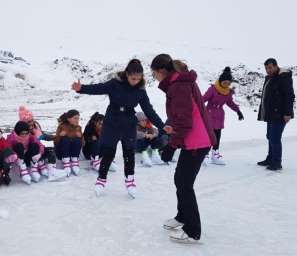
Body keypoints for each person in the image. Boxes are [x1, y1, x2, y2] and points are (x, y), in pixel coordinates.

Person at [72, 59, 166, 198]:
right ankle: (101, 180)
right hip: (112, 122)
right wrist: (82, 88)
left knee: (129, 153)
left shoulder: (140, 90)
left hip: (128, 123)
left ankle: (130, 181)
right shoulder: (115, 84)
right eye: (133, 78)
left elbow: (149, 111)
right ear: (127, 74)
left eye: (138, 79)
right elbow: (99, 88)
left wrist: (162, 127)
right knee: (108, 153)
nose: (135, 81)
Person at [151, 54, 216, 243]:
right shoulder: (178, 82)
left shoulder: (178, 85)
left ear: (161, 71)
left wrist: (171, 145)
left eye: (154, 73)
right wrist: (173, 129)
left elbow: (185, 121)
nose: (154, 77)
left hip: (197, 140)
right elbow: (181, 116)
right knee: (180, 179)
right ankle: (182, 216)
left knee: (184, 183)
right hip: (194, 137)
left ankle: (193, 231)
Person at [257, 58, 295, 171]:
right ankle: (270, 158)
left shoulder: (283, 77)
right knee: (270, 136)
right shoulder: (270, 78)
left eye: (270, 67)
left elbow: (289, 96)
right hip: (271, 113)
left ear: (275, 66)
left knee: (275, 138)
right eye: (266, 68)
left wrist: (288, 113)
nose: (268, 70)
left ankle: (277, 162)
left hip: (280, 113)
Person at [202, 67, 244, 165]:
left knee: (217, 136)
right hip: (209, 114)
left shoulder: (228, 92)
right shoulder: (212, 89)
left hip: (219, 116)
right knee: (209, 136)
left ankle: (215, 155)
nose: (226, 85)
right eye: (225, 83)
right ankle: (204, 155)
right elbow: (203, 99)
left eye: (228, 83)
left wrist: (238, 111)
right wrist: (195, 107)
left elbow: (230, 103)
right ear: (220, 81)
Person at [18, 106, 63, 180]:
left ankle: (52, 170)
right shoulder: (22, 132)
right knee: (37, 149)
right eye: (29, 121)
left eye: (32, 120)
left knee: (50, 151)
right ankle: (36, 169)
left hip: (39, 150)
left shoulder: (36, 128)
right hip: (30, 154)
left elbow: (43, 136)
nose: (32, 123)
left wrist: (55, 137)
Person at [54, 110, 83, 177]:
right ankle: (66, 161)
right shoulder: (62, 126)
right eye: (75, 118)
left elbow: (83, 143)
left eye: (78, 118)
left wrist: (81, 137)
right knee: (65, 139)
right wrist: (59, 136)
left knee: (78, 139)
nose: (77, 120)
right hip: (62, 153)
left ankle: (74, 160)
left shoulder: (78, 127)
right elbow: (55, 141)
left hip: (72, 153)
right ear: (68, 119)